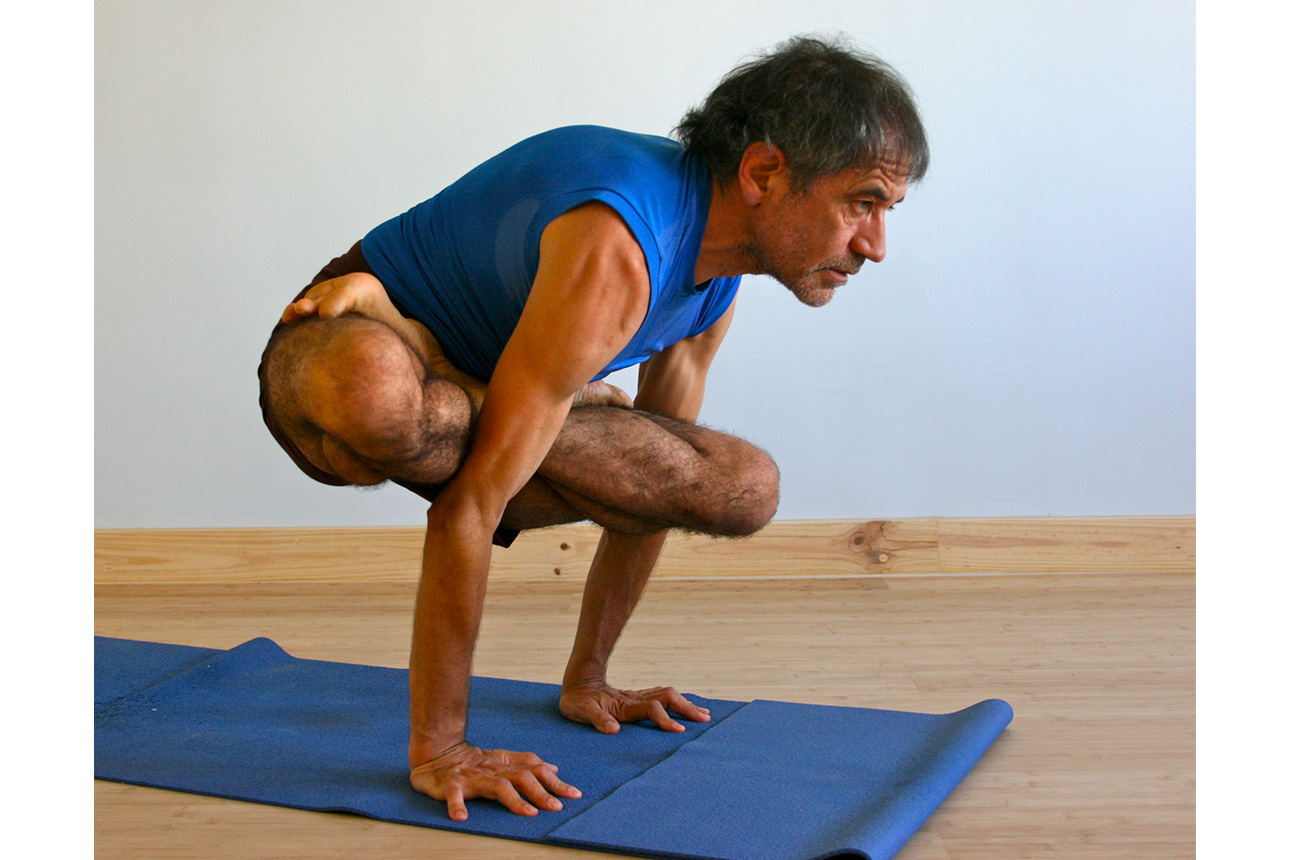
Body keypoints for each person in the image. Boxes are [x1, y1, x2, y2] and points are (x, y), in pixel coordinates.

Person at [258, 35, 928, 822]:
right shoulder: (618, 243)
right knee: (377, 400)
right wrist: (441, 749)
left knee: (742, 485)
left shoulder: (712, 289)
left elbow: (647, 494)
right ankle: (427, 342)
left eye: (888, 211)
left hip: (474, 404)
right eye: (863, 203)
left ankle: (487, 378)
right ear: (763, 173)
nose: (876, 247)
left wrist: (590, 680)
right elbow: (470, 504)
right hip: (338, 348)